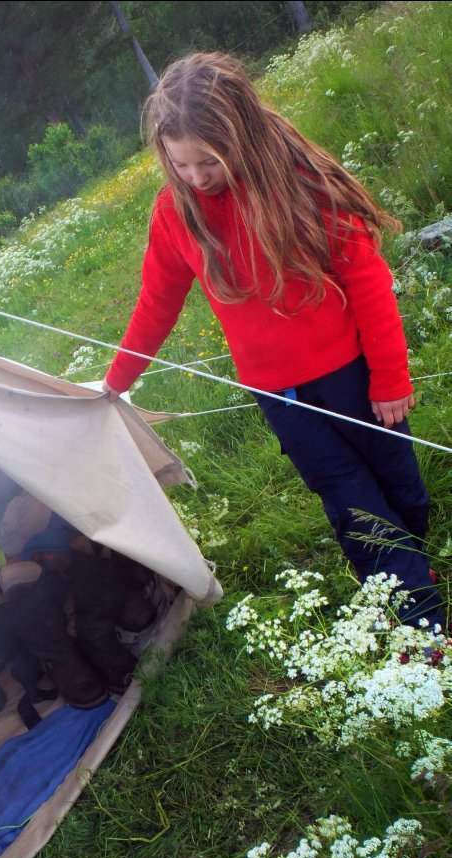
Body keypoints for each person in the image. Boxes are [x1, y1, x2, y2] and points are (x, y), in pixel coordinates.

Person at [102, 52, 443, 630]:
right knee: (350, 499)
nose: (194, 177)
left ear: (244, 136)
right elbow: (157, 304)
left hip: (355, 373)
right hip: (280, 394)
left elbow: (368, 281)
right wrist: (114, 384)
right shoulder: (175, 213)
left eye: (207, 161)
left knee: (401, 486)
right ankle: (417, 620)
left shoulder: (302, 184)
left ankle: (415, 563)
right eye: (180, 164)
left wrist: (389, 377)